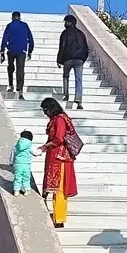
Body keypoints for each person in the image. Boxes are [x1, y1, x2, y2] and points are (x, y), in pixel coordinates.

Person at [39, 97, 79, 227]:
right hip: (55, 156)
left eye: (45, 110)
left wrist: (45, 146)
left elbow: (58, 138)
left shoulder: (60, 119)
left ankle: (59, 219)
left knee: (59, 189)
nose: (45, 113)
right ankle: (58, 215)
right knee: (56, 189)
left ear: (51, 108)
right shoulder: (56, 119)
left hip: (60, 159)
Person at [57, 15, 89, 110]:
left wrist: (59, 60)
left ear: (70, 23)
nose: (65, 24)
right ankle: (79, 101)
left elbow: (62, 47)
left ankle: (66, 95)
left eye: (66, 22)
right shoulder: (81, 34)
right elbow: (85, 48)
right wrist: (83, 59)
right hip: (79, 59)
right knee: (79, 80)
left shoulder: (65, 33)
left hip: (68, 59)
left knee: (66, 76)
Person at [0, 11, 34, 99]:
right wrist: (30, 51)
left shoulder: (9, 26)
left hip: (11, 50)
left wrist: (2, 51)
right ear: (20, 17)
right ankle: (20, 91)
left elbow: (4, 38)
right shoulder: (24, 25)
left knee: (10, 67)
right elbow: (30, 38)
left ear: (12, 18)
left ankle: (11, 85)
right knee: (20, 70)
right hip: (22, 51)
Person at [11, 130, 35, 196]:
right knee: (26, 177)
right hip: (26, 164)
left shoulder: (17, 145)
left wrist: (11, 162)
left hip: (18, 164)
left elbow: (13, 154)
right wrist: (41, 151)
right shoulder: (29, 145)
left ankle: (16, 191)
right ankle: (26, 190)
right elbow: (34, 153)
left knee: (17, 177)